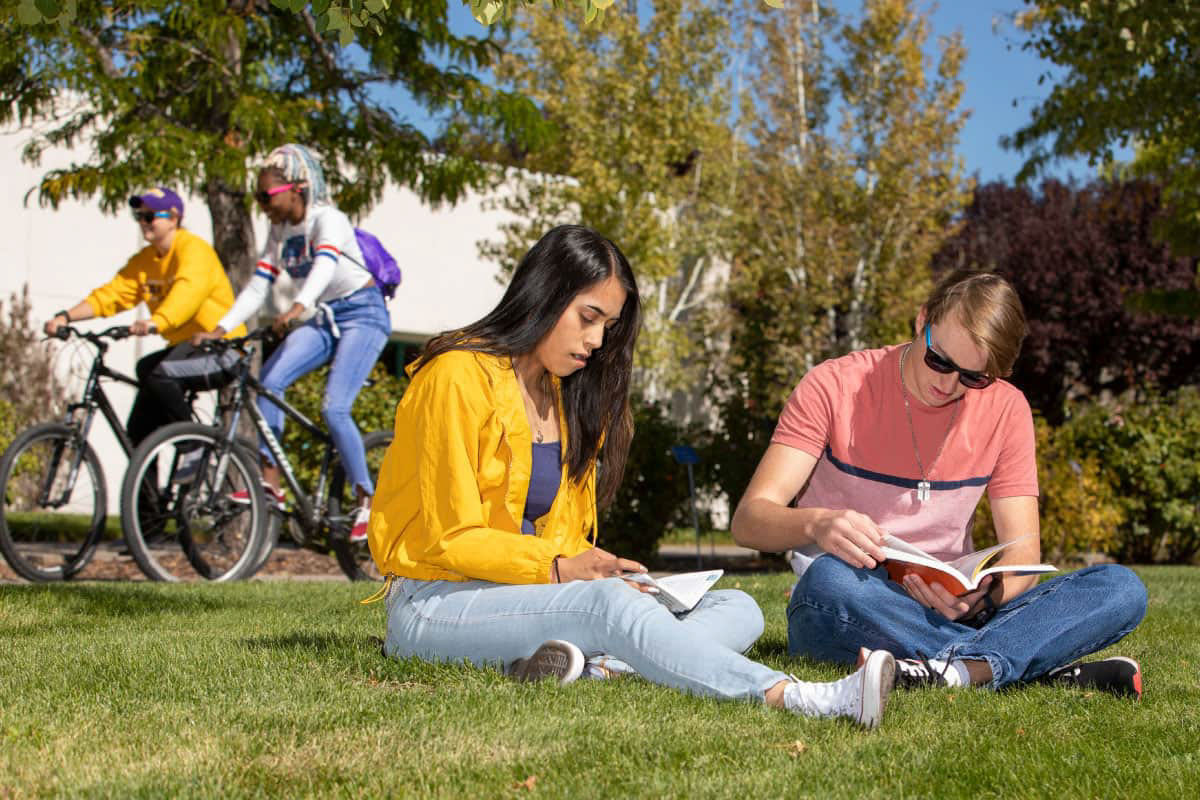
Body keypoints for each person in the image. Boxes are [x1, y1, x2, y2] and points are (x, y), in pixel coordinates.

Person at [365, 225, 896, 729]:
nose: (597, 340)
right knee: (609, 606)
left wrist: (605, 573)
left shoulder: (564, 396)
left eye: (609, 326)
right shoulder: (456, 375)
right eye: (588, 316)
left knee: (737, 607)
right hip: (436, 605)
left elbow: (563, 538)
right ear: (545, 294)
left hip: (526, 598)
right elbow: (449, 537)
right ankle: (799, 696)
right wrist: (561, 570)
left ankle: (601, 666)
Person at [730, 269, 1148, 698]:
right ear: (922, 321)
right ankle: (1007, 667)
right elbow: (749, 521)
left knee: (1119, 589)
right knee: (827, 580)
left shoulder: (1007, 410)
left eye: (973, 378)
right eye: (939, 360)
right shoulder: (834, 386)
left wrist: (984, 601)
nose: (947, 385)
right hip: (852, 606)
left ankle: (943, 671)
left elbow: (1024, 558)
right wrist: (816, 524)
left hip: (956, 614)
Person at [192, 144, 390, 542]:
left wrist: (299, 304)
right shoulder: (280, 232)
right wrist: (221, 327)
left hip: (363, 313)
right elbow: (258, 285)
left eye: (266, 195)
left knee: (334, 408)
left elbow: (325, 265)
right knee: (268, 382)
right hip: (324, 316)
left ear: (296, 189)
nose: (261, 204)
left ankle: (367, 501)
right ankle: (270, 484)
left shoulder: (328, 219)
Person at [43, 186, 247, 466]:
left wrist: (155, 323)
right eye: (139, 216)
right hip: (186, 350)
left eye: (150, 216)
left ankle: (194, 447)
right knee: (139, 428)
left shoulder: (193, 250)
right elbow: (112, 295)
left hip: (223, 351)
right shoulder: (145, 261)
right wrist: (66, 317)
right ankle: (147, 508)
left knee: (159, 373)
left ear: (173, 218)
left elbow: (187, 295)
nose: (143, 222)